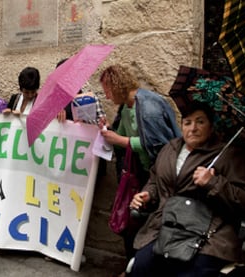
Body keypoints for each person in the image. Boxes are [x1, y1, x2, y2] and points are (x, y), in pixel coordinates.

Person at [128, 100, 245, 276]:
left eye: (200, 121)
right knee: (142, 266)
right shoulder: (170, 148)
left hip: (208, 235)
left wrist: (214, 182)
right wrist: (147, 195)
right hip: (166, 227)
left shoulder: (228, 155)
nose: (193, 128)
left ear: (211, 127)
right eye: (187, 122)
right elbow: (155, 180)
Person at [99, 64, 181, 272]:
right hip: (136, 174)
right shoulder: (126, 107)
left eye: (107, 90)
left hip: (153, 177)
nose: (107, 96)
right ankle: (132, 268)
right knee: (132, 224)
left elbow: (159, 146)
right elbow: (124, 135)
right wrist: (109, 130)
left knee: (148, 225)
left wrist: (118, 139)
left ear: (116, 85)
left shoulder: (148, 106)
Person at [55, 58, 106, 125]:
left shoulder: (90, 99)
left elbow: (103, 127)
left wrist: (85, 122)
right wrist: (53, 115)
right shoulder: (53, 102)